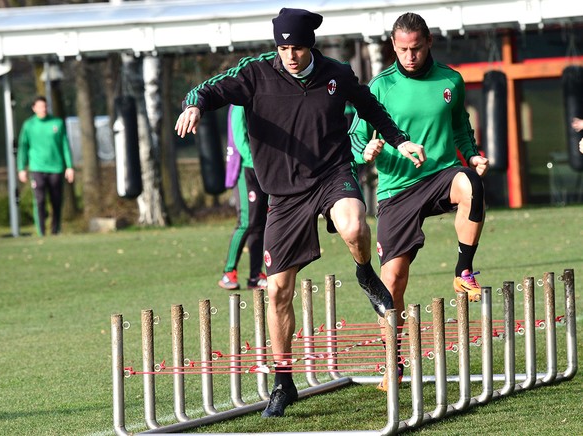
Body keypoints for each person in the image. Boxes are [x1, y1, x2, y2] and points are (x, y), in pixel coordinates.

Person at [175, 7, 426, 418]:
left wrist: (400, 140)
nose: (290, 55)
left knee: (354, 226)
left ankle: (365, 273)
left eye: (297, 47)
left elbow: (371, 110)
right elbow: (209, 88)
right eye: (284, 47)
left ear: (311, 45)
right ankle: (283, 381)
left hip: (331, 173)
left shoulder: (336, 73)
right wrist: (194, 106)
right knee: (277, 291)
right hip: (284, 194)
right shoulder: (255, 73)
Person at [349, 12, 489, 391]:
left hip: (440, 174)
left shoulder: (450, 80)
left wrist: (472, 155)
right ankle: (392, 363)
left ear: (428, 43)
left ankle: (463, 272)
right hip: (396, 190)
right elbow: (355, 138)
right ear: (393, 46)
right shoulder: (379, 87)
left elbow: (460, 125)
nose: (409, 56)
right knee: (392, 281)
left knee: (471, 184)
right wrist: (369, 150)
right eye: (402, 49)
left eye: (415, 48)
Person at [218, 105, 268, 291]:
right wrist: (259, 165)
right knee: (246, 222)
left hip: (260, 171)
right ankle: (228, 272)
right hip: (245, 170)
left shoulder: (258, 99)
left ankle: (255, 276)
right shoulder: (238, 105)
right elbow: (240, 140)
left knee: (259, 224)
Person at [17, 96, 75, 236]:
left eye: (45, 106)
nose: (43, 109)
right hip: (37, 168)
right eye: (40, 107)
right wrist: (21, 168)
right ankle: (41, 232)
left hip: (56, 167)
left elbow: (65, 146)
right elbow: (23, 147)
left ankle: (55, 230)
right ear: (34, 108)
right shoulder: (29, 125)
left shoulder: (57, 123)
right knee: (40, 200)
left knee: (56, 200)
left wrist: (70, 166)